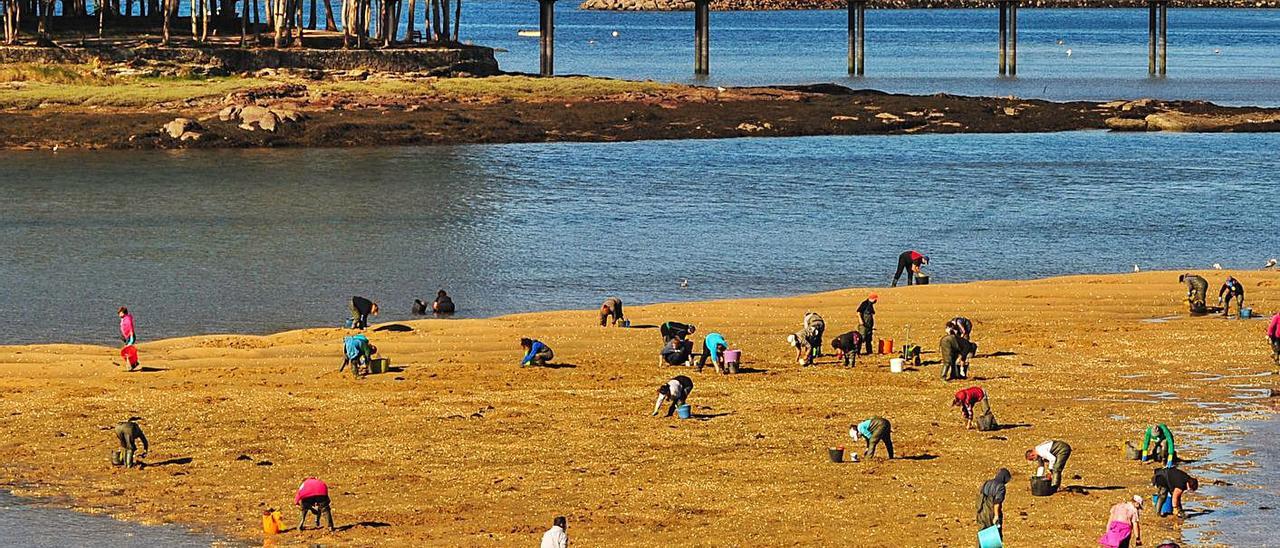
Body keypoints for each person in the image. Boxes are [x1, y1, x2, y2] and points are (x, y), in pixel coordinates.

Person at [976, 468, 1011, 539]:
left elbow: (980, 496)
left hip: (981, 512)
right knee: (994, 537)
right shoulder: (1000, 487)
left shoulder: (987, 482)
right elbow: (997, 502)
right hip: (990, 512)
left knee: (982, 536)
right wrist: (996, 516)